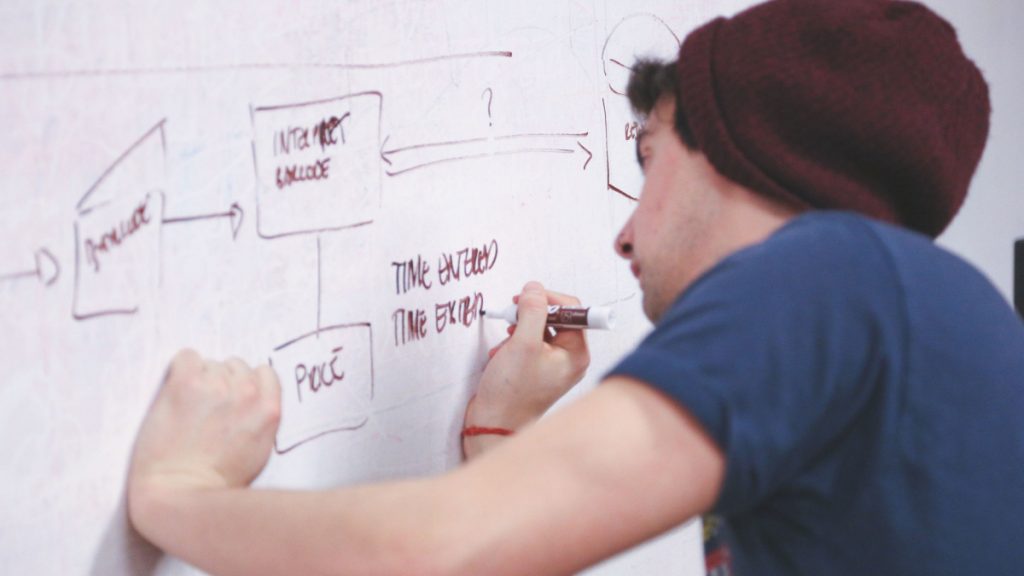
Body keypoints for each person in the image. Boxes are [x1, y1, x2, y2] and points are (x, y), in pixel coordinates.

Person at [127, 1, 1024, 574]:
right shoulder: (920, 313)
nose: (623, 234)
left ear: (739, 152)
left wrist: (178, 493)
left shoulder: (824, 278)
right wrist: (500, 435)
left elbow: (441, 552)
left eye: (649, 158)